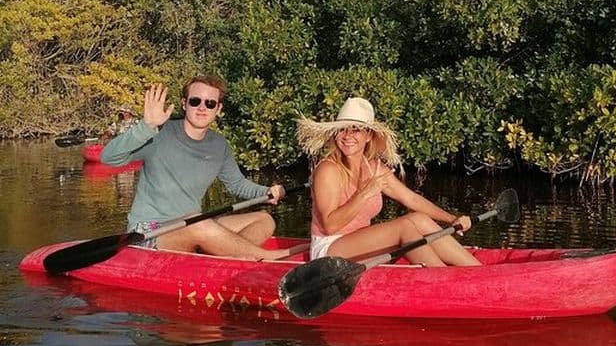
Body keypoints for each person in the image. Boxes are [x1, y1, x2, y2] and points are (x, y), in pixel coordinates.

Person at [101, 74, 306, 260]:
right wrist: (146, 127)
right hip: (149, 232)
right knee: (198, 222)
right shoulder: (158, 134)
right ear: (184, 103)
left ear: (218, 109)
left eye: (209, 103)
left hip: (193, 225)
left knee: (265, 220)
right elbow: (108, 158)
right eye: (195, 101)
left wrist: (267, 191)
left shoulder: (219, 145)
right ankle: (267, 258)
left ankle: (227, 259)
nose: (202, 108)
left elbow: (237, 184)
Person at [296, 97, 481, 267]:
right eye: (342, 129)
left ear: (368, 136)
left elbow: (411, 200)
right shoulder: (328, 169)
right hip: (329, 251)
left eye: (356, 130)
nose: (347, 136)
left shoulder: (375, 168)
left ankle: (476, 271)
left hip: (360, 246)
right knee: (405, 227)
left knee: (418, 219)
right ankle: (447, 280)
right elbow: (330, 226)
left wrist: (452, 219)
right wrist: (364, 193)